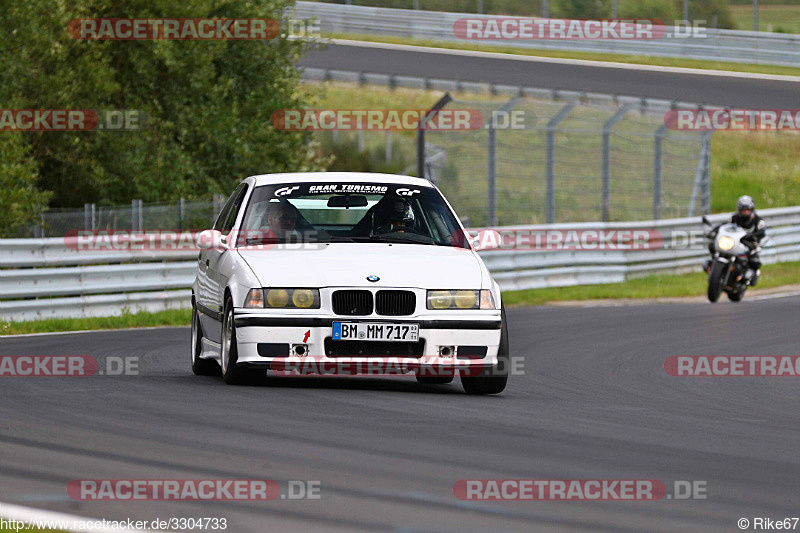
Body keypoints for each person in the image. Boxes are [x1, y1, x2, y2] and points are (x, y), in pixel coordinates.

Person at [705, 195, 766, 285]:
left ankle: (750, 275)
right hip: (735, 241)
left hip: (749, 243)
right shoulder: (734, 218)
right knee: (712, 245)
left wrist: (751, 236)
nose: (745, 213)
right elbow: (724, 225)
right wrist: (714, 231)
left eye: (747, 210)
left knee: (754, 260)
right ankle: (715, 267)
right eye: (743, 210)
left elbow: (761, 233)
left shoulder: (758, 221)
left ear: (751, 210)